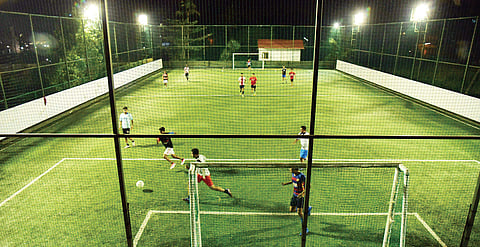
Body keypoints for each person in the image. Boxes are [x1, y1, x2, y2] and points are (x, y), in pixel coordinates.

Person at [281, 167, 312, 235]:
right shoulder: (293, 174)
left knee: (300, 213)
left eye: (291, 169)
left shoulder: (302, 176)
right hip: (294, 195)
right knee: (291, 209)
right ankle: (307, 209)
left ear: (295, 169)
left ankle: (305, 229)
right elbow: (293, 181)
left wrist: (301, 194)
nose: (289, 170)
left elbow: (307, 187)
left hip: (300, 196)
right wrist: (286, 183)